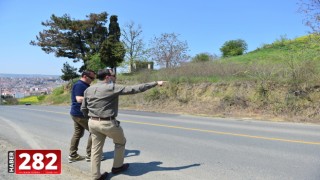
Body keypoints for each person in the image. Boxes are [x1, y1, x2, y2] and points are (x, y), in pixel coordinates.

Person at [81, 68, 165, 180]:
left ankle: (96, 176)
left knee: (95, 150)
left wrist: (91, 118)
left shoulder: (89, 89)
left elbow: (83, 108)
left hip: (92, 122)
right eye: (113, 75)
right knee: (120, 142)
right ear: (107, 77)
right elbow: (135, 89)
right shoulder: (111, 87)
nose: (114, 77)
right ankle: (117, 167)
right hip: (108, 123)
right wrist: (155, 83)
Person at [68, 70, 96, 163]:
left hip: (76, 113)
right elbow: (79, 99)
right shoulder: (80, 85)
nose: (92, 80)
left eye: (93, 78)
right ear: (85, 76)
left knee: (78, 134)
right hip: (80, 114)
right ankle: (90, 155)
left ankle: (73, 155)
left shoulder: (83, 85)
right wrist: (95, 98)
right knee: (94, 131)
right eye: (91, 78)